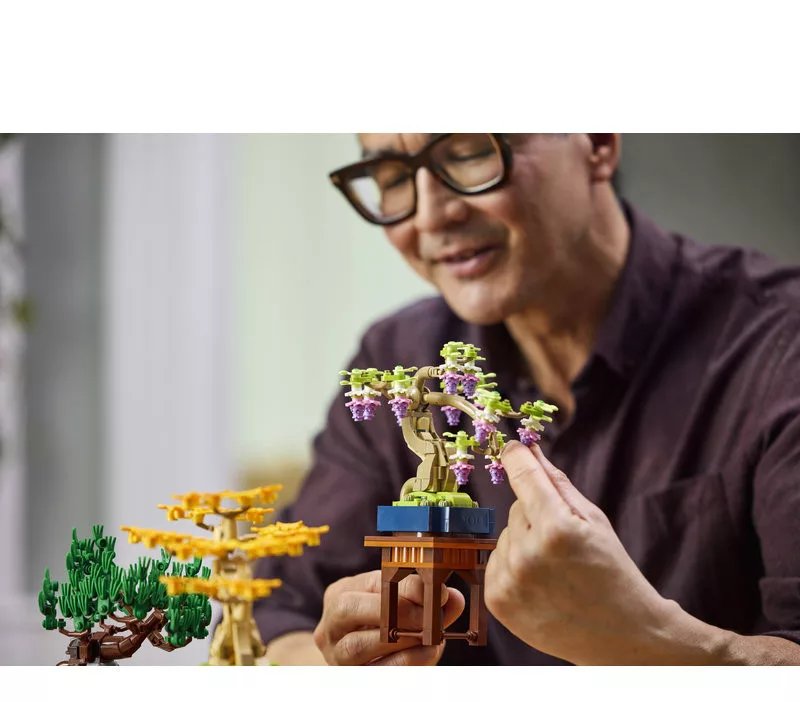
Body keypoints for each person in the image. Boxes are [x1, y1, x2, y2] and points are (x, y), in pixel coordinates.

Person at [253, 133, 800, 666]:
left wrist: (654, 642)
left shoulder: (777, 349)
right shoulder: (400, 362)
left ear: (598, 142)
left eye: (470, 152)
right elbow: (282, 614)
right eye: (392, 177)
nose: (430, 217)